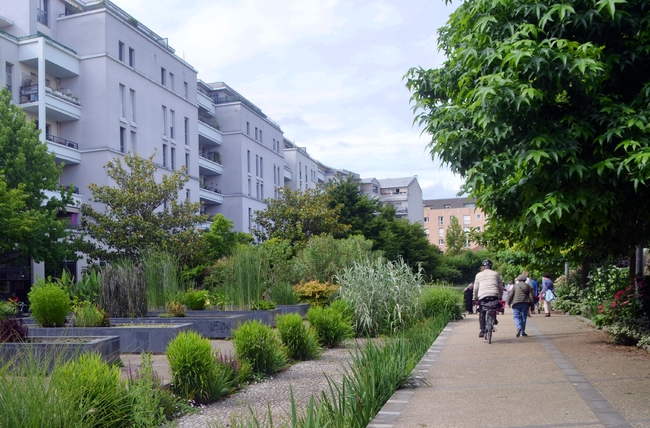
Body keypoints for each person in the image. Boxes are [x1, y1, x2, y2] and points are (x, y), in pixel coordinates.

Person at [473, 260, 504, 338]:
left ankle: (482, 330)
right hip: (494, 294)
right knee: (494, 306)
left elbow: (475, 288)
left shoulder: (478, 275)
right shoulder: (496, 274)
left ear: (483, 267)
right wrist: (500, 296)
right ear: (491, 266)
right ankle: (494, 318)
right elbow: (501, 287)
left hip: (483, 295)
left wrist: (475, 298)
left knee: (482, 312)